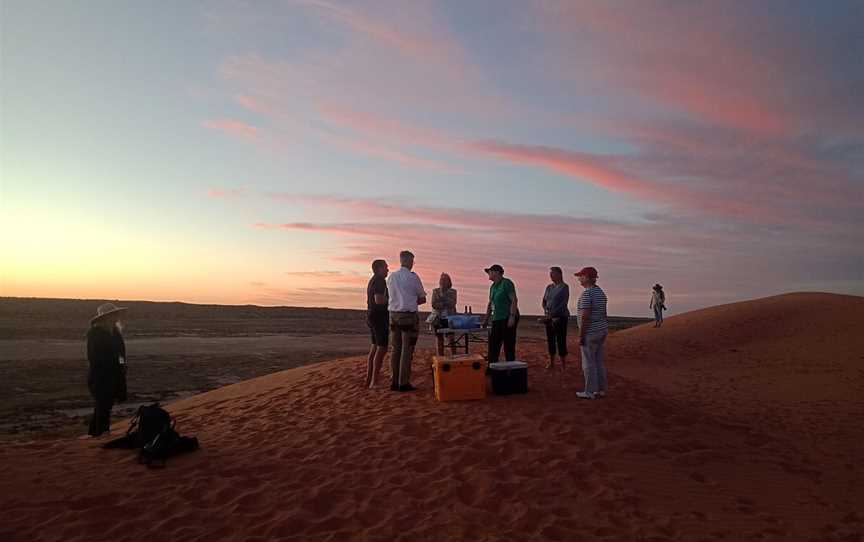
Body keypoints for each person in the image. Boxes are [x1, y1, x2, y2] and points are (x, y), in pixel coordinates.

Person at [386, 250, 427, 392]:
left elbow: (390, 296)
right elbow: (422, 298)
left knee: (395, 348)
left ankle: (394, 380)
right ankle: (403, 382)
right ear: (409, 261)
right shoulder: (413, 277)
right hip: (408, 316)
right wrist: (410, 301)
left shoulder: (391, 277)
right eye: (412, 261)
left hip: (393, 315)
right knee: (407, 349)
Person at [86, 303, 128, 436]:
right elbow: (94, 357)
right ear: (105, 317)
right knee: (103, 404)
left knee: (104, 405)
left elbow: (121, 354)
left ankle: (94, 434)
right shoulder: (95, 333)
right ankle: (102, 434)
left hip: (114, 374)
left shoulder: (116, 333)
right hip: (100, 375)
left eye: (116, 314)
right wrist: (113, 364)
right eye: (113, 314)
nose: (116, 317)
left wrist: (121, 365)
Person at [575, 267, 608, 399]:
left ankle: (589, 391)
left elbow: (585, 316)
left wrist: (581, 335)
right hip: (601, 330)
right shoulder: (600, 292)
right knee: (598, 361)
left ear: (587, 277)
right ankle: (600, 389)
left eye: (581, 276)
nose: (579, 279)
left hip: (591, 332)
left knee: (588, 363)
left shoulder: (587, 294)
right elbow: (604, 313)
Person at [482, 264, 519, 364]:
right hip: (497, 318)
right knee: (494, 344)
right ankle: (492, 366)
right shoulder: (493, 287)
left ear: (497, 272)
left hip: (507, 316)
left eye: (489, 272)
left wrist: (512, 317)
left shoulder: (506, 283)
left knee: (508, 344)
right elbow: (490, 303)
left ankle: (510, 367)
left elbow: (514, 300)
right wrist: (486, 319)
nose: (488, 274)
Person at [365, 259, 389, 388]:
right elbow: (379, 300)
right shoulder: (379, 281)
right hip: (378, 317)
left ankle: (369, 379)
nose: (387, 269)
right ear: (379, 268)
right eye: (386, 267)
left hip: (372, 316)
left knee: (374, 347)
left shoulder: (373, 280)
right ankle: (374, 382)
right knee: (382, 348)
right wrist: (392, 300)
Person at [542, 266, 570, 371]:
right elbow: (544, 301)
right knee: (550, 340)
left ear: (559, 274)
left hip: (560, 317)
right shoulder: (549, 287)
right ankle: (552, 362)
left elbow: (563, 303)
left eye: (552, 274)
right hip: (549, 317)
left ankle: (563, 364)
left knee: (561, 340)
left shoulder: (564, 287)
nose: (551, 276)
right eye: (550, 274)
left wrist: (552, 315)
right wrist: (546, 312)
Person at [430, 273, 458, 356]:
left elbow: (452, 303)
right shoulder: (435, 291)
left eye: (444, 279)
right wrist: (444, 303)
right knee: (439, 339)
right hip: (438, 318)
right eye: (441, 279)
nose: (442, 281)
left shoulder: (453, 292)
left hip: (449, 319)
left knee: (451, 339)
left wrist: (442, 297)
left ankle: (454, 356)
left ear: (449, 281)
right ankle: (441, 357)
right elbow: (434, 304)